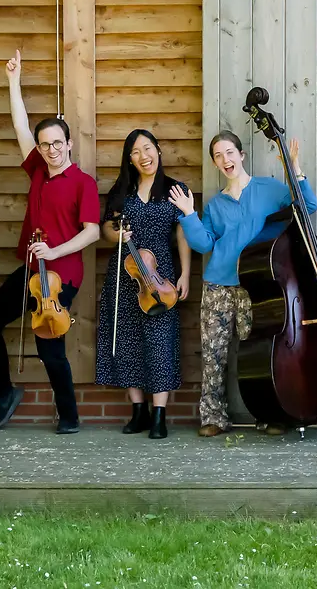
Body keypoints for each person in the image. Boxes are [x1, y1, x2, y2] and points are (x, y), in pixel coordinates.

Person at [0, 51, 101, 434]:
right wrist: (13, 81)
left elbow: (92, 232)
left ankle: (69, 416)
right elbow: (21, 127)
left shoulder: (82, 182)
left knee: (49, 347)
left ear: (68, 144)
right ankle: (3, 393)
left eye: (57, 143)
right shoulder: (37, 171)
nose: (50, 149)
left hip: (62, 273)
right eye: (44, 144)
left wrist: (54, 251)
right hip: (33, 269)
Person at [171, 130, 315, 437]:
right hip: (218, 286)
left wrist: (295, 167)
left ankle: (268, 414)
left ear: (241, 155)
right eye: (218, 156)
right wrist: (188, 214)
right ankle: (213, 418)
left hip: (260, 285)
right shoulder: (215, 205)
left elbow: (307, 207)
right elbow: (203, 245)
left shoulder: (270, 189)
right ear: (215, 163)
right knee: (214, 353)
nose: (226, 160)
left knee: (260, 355)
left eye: (230, 152)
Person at [96, 129, 192, 440]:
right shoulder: (122, 190)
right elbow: (107, 228)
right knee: (127, 343)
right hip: (125, 275)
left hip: (160, 277)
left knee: (160, 342)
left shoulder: (175, 189)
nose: (143, 156)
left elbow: (183, 233)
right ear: (130, 159)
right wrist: (117, 235)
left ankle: (159, 416)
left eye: (147, 148)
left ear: (158, 150)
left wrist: (186, 274)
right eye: (136, 152)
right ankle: (138, 412)